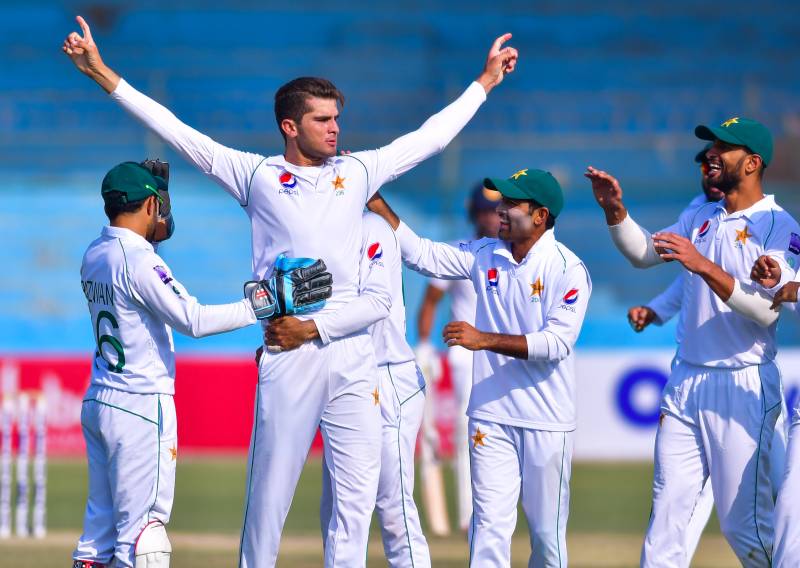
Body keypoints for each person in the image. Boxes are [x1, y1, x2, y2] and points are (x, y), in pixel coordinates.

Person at [63, 15, 518, 567]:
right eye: (322, 120)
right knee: (267, 506)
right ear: (289, 126)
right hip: (289, 352)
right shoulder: (255, 176)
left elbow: (431, 138)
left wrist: (485, 83)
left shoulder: (359, 172)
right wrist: (104, 75)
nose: (335, 130)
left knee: (352, 512)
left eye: (337, 119)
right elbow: (179, 133)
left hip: (355, 358)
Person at [587, 117, 800, 567]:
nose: (711, 155)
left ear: (752, 163)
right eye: (711, 147)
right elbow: (646, 254)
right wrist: (616, 214)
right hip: (686, 381)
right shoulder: (701, 214)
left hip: (741, 386)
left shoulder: (778, 226)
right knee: (666, 522)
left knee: (745, 527)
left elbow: (766, 310)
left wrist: (703, 265)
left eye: (723, 148)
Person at [368, 169, 591, 567]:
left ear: (540, 215)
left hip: (547, 420)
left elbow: (557, 343)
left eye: (510, 204)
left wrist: (483, 339)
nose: (499, 210)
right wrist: (378, 202)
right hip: (490, 414)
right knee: (487, 527)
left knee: (546, 537)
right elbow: (421, 254)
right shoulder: (484, 253)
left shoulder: (568, 268)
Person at [73, 161, 260, 568]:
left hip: (101, 399)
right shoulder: (140, 262)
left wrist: (157, 209)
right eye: (159, 207)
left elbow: (141, 257)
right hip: (140, 406)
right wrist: (261, 306)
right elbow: (193, 319)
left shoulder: (94, 252)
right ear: (151, 205)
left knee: (97, 541)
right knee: (144, 538)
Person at [320, 210, 431, 567]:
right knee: (339, 508)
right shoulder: (320, 226)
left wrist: (308, 330)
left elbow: (374, 304)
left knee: (393, 507)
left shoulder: (372, 227)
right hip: (343, 372)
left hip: (387, 374)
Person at [416, 183, 500, 532]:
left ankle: (496, 508)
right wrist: (423, 344)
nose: (493, 218)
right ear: (474, 213)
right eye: (485, 211)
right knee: (474, 431)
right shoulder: (457, 252)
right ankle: (471, 514)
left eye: (497, 211)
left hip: (504, 352)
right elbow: (431, 299)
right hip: (466, 356)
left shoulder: (513, 252)